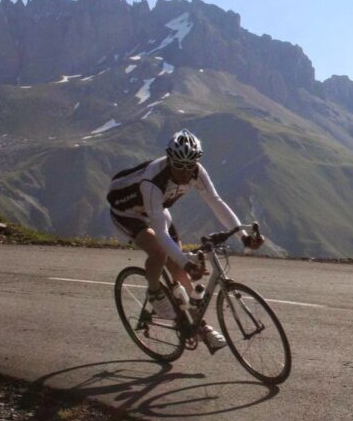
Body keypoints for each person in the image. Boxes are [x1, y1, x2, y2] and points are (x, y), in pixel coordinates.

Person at [106, 129, 263, 351]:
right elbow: (160, 233)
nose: (185, 172)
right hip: (128, 213)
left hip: (157, 211)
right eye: (179, 166)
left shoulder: (196, 172)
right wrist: (185, 260)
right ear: (169, 160)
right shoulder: (152, 181)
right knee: (160, 253)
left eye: (190, 166)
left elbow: (216, 202)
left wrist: (243, 236)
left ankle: (200, 328)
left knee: (180, 271)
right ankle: (154, 293)